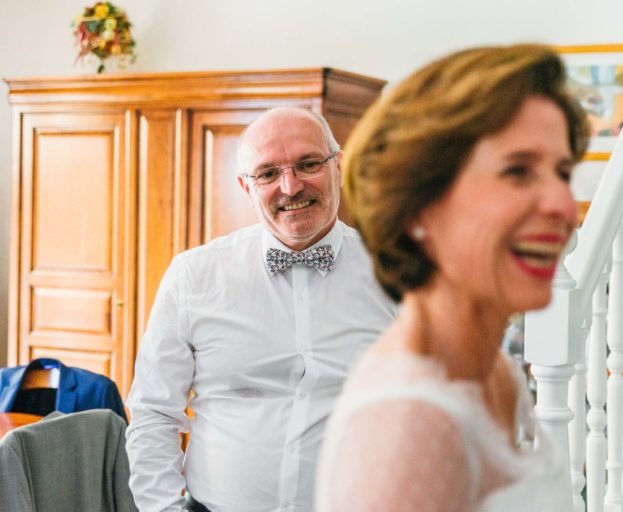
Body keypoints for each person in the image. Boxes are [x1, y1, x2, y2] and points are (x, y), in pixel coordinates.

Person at [314, 44, 590, 511]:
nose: (564, 206)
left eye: (562, 172)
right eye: (518, 171)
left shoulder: (495, 372)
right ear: (418, 204)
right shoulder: (408, 423)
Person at [125, 107, 397, 512]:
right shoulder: (194, 275)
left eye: (308, 164)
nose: (290, 187)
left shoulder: (399, 274)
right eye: (268, 173)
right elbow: (153, 413)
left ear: (338, 166)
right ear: (246, 186)